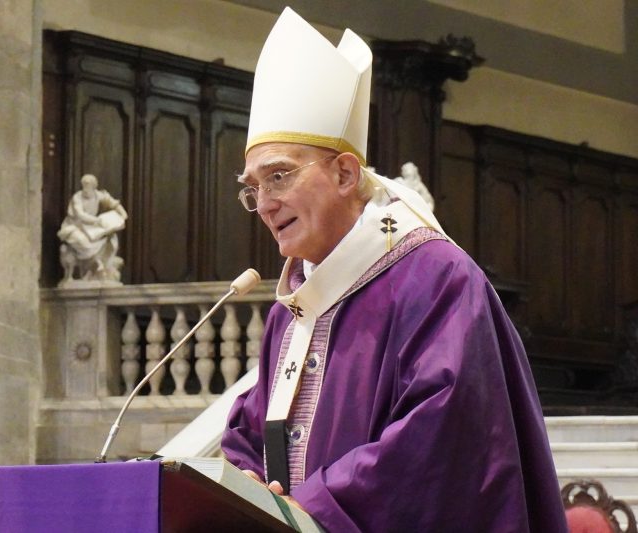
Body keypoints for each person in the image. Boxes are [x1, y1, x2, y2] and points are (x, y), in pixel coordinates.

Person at [220, 8, 567, 532]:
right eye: (253, 188)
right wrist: (245, 485)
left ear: (345, 173)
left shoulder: (435, 278)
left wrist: (312, 507)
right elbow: (250, 431)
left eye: (279, 177)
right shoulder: (292, 311)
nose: (265, 203)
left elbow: (444, 438)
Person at [57, 174, 128, 284]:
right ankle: (95, 263)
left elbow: (113, 203)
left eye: (88, 185)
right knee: (82, 241)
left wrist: (123, 214)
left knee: (111, 238)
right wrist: (96, 221)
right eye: (84, 185)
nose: (85, 189)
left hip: (92, 228)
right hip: (75, 226)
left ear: (94, 186)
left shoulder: (98, 195)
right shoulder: (77, 197)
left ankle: (101, 266)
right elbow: (80, 215)